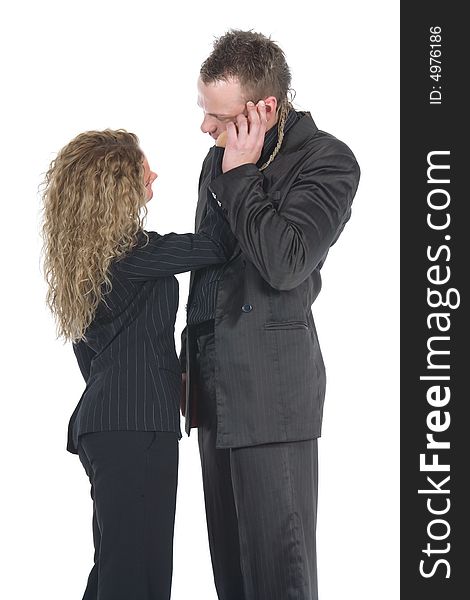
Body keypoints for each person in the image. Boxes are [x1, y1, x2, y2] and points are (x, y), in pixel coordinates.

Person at [40, 124, 265, 600]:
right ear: (117, 186)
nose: (155, 175)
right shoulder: (135, 254)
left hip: (106, 426)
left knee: (117, 567)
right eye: (145, 170)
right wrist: (231, 173)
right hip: (135, 427)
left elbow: (94, 359)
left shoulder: (92, 263)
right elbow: (216, 247)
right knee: (136, 575)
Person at [180, 30, 361, 600]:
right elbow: (210, 265)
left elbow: (285, 261)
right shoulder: (217, 161)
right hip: (211, 392)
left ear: (264, 109)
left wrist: (242, 175)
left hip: (271, 394)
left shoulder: (328, 160)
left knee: (279, 579)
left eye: (219, 116)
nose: (206, 129)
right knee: (230, 578)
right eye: (205, 113)